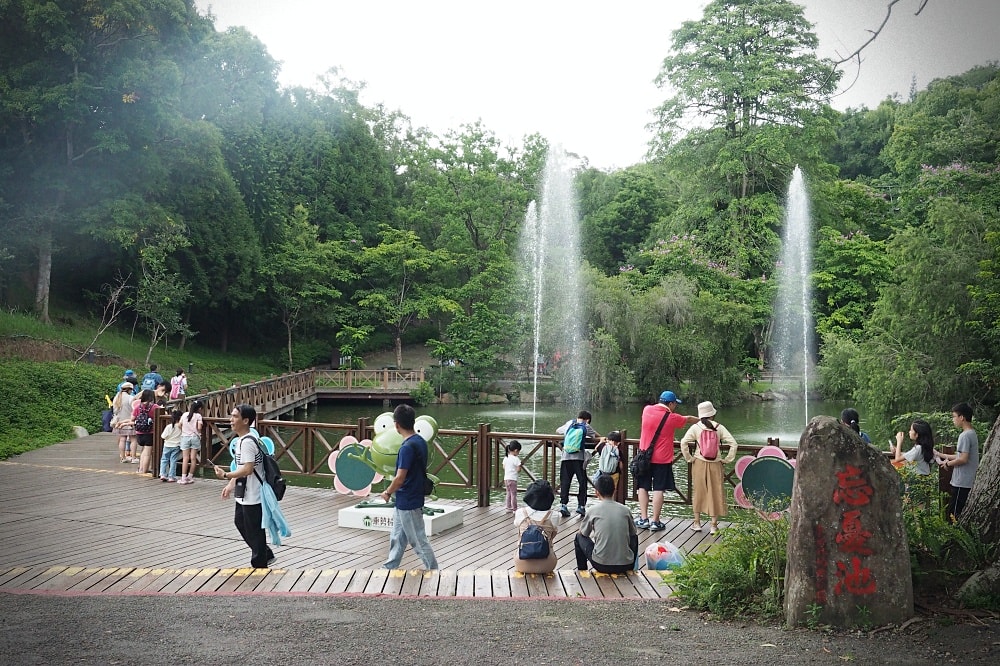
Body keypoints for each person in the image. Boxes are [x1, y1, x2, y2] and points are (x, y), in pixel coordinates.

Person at [213, 404, 275, 569]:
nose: (231, 420)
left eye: (235, 417)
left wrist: (226, 475)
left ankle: (260, 563)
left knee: (254, 529)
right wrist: (231, 484)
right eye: (231, 416)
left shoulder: (247, 442)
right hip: (245, 492)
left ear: (246, 420)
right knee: (240, 521)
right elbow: (242, 467)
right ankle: (264, 554)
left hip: (253, 493)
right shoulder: (242, 440)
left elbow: (247, 469)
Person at [379, 404, 438, 571]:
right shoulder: (420, 441)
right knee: (397, 536)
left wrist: (387, 492)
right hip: (408, 497)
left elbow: (399, 478)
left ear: (396, 425)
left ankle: (433, 569)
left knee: (418, 539)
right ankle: (389, 566)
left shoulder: (406, 448)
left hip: (408, 499)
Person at [634, 391, 698, 532]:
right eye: (675, 404)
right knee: (658, 489)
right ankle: (655, 522)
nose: (676, 406)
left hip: (644, 457)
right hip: (662, 459)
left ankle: (643, 519)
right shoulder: (672, 417)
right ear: (670, 404)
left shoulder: (646, 410)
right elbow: (687, 419)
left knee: (642, 487)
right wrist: (703, 420)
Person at [680, 401, 738, 534]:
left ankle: (697, 523)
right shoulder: (719, 427)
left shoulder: (696, 427)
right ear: (712, 414)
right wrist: (727, 459)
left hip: (699, 462)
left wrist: (689, 458)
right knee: (715, 491)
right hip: (716, 463)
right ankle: (713, 525)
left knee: (699, 491)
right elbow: (733, 444)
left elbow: (683, 442)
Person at [574, 474, 639, 574]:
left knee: (578, 537)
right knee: (634, 537)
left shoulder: (593, 510)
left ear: (597, 492)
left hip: (601, 564)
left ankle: (582, 570)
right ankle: (631, 567)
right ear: (614, 490)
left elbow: (583, 534)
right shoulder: (625, 510)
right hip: (626, 564)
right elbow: (633, 534)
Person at [938, 402, 980, 521]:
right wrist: (942, 455)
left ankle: (954, 538)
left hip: (962, 482)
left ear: (962, 417)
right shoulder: (972, 433)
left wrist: (947, 463)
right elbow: (960, 455)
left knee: (954, 514)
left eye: (954, 416)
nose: (953, 420)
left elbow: (963, 459)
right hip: (967, 481)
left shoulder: (965, 436)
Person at [555, 410, 600, 518]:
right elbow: (596, 435)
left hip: (565, 457)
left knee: (565, 481)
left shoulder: (570, 423)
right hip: (579, 458)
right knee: (582, 482)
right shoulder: (586, 425)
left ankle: (563, 505)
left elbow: (557, 431)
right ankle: (581, 506)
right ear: (588, 419)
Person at [513, 479, 562, 574]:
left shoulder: (520, 513)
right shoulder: (555, 515)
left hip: (522, 563)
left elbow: (516, 525)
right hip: (547, 564)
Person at [130, 389, 160, 476]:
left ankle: (140, 469)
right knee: (147, 453)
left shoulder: (137, 407)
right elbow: (164, 412)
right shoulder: (154, 407)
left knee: (143, 451)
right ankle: (144, 470)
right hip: (149, 432)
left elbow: (132, 419)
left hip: (139, 432)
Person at [178, 400, 203, 485]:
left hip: (185, 437)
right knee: (193, 458)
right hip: (195, 437)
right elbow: (199, 427)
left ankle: (183, 478)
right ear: (199, 408)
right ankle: (190, 476)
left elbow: (179, 425)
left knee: (185, 458)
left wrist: (183, 430)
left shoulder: (185, 414)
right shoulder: (198, 416)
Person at [111, 382, 135, 463]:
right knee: (133, 439)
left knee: (122, 439)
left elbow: (114, 410)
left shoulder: (117, 397)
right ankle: (133, 457)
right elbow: (134, 409)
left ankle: (122, 457)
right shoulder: (130, 398)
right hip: (129, 421)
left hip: (119, 422)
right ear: (129, 389)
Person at [158, 410, 183, 482]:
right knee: (173, 460)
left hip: (167, 445)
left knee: (164, 459)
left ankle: (162, 474)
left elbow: (163, 436)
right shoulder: (180, 427)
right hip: (176, 445)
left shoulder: (169, 426)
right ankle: (171, 476)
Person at [503, 441, 523, 512]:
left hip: (506, 478)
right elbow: (518, 469)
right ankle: (514, 508)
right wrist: (516, 470)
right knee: (513, 494)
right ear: (516, 450)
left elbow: (504, 467)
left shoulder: (506, 457)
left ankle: (508, 507)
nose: (518, 453)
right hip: (512, 479)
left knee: (508, 493)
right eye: (518, 452)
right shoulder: (516, 459)